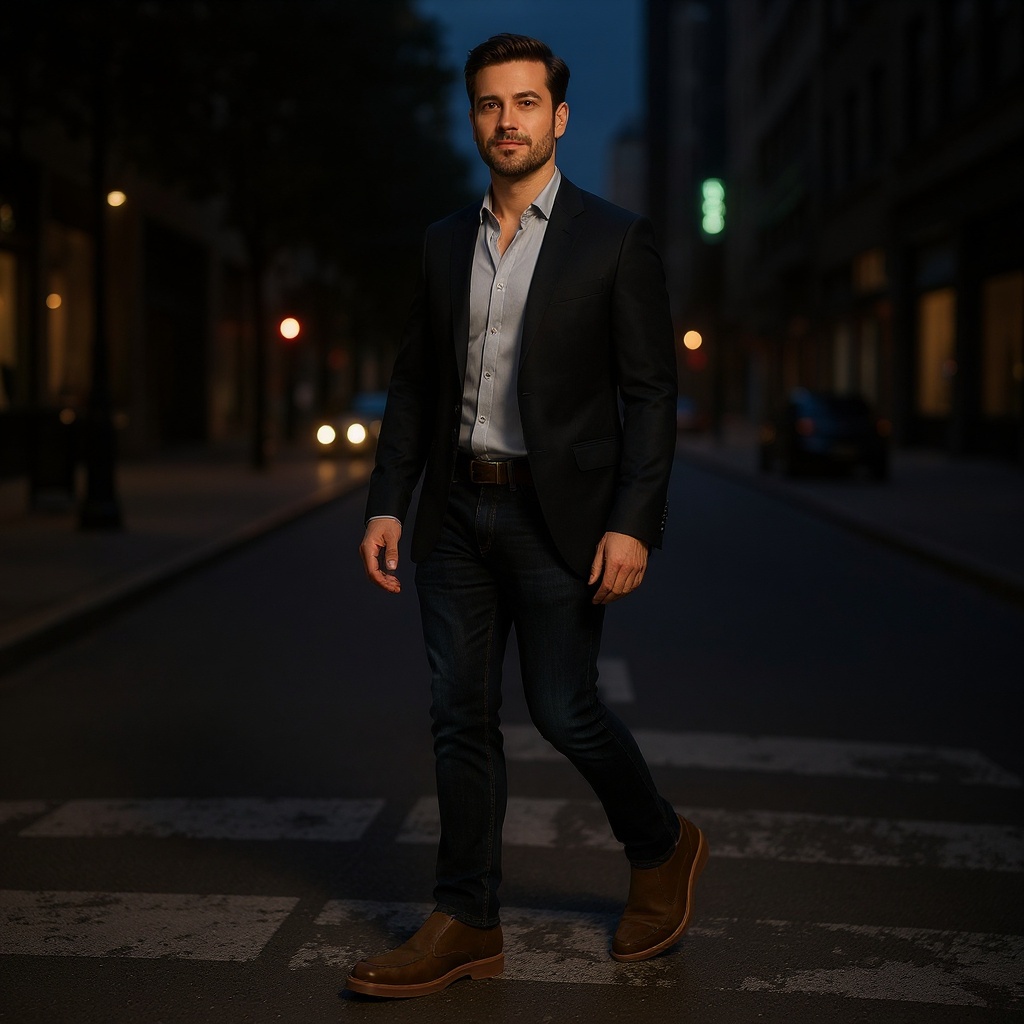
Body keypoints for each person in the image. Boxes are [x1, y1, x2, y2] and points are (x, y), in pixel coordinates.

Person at [347, 33, 708, 999]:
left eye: (524, 102)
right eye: (488, 104)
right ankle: (466, 918)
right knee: (458, 717)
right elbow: (416, 385)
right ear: (474, 118)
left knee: (562, 708)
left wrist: (634, 521)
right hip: (456, 513)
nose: (506, 120)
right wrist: (390, 501)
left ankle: (662, 844)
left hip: (563, 518)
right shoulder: (439, 243)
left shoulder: (614, 239)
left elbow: (649, 394)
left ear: (558, 117)